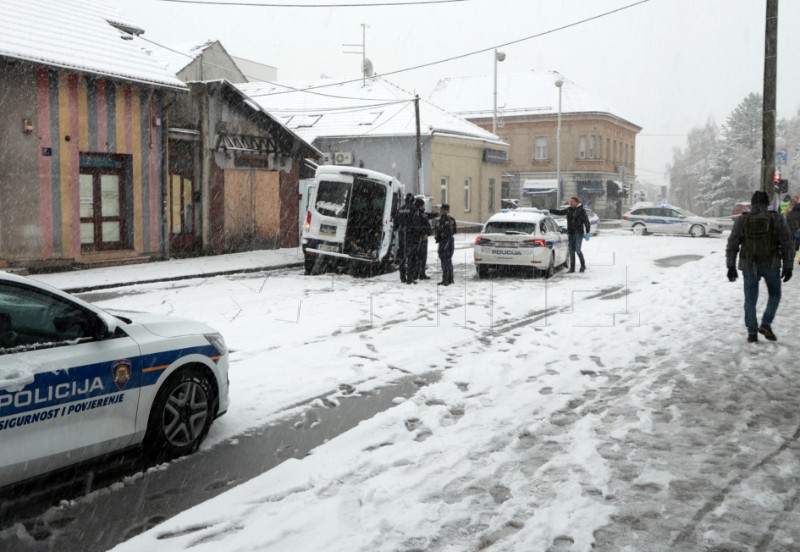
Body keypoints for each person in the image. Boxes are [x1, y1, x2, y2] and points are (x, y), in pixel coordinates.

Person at [726, 190, 794, 343]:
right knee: (775, 294)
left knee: (750, 299)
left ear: (752, 203)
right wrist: (788, 266)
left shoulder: (742, 220)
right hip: (771, 264)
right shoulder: (776, 218)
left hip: (749, 265)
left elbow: (732, 244)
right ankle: (766, 323)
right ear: (767, 203)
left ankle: (752, 333)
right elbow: (787, 243)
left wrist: (730, 266)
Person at [549, 196, 591, 273]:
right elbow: (560, 212)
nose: (570, 203)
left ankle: (583, 265)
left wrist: (587, 232)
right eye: (570, 202)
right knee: (571, 251)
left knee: (578, 250)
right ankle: (572, 268)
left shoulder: (582, 210)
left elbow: (586, 221)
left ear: (576, 202)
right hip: (571, 233)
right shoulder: (569, 210)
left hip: (579, 233)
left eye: (572, 201)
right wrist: (551, 211)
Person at [393, 193, 415, 283]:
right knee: (411, 256)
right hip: (410, 234)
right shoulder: (413, 209)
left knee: (402, 255)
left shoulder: (400, 209)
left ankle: (402, 277)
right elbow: (416, 221)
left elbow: (396, 222)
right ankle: (410, 278)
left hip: (402, 233)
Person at [435, 203, 457, 286]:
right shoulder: (444, 219)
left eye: (441, 210)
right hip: (444, 242)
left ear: (445, 211)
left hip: (447, 242)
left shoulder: (447, 220)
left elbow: (450, 231)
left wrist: (442, 236)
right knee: (446, 261)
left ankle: (446, 280)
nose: (440, 211)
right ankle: (449, 279)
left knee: (445, 261)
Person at [416, 198, 433, 280]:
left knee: (423, 257)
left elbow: (428, 215)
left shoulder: (423, 213)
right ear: (420, 205)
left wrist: (437, 214)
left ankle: (422, 273)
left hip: (424, 238)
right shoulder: (417, 214)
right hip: (421, 238)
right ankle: (418, 273)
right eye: (423, 205)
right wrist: (423, 234)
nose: (424, 206)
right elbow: (418, 226)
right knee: (420, 256)